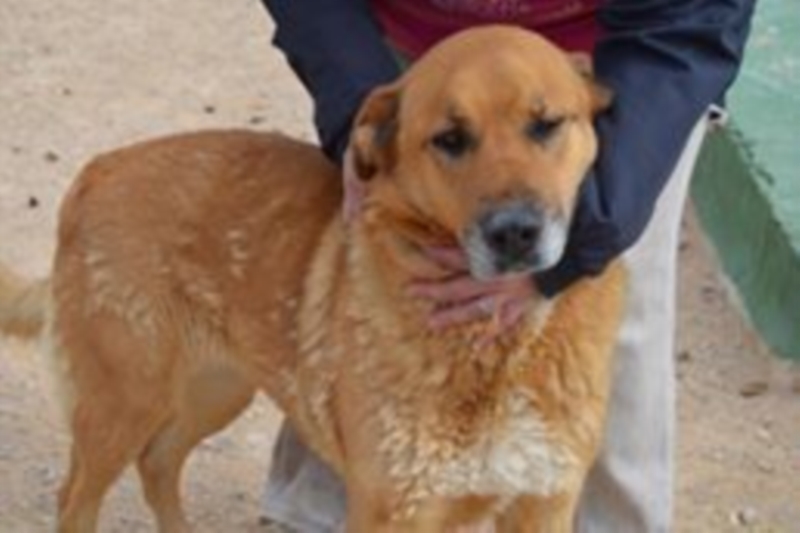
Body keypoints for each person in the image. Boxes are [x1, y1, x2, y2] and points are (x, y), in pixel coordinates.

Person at [256, 1, 754, 532]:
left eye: (542, 128)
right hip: (401, 40)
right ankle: (323, 512)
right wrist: (358, 109)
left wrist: (594, 231)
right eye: (454, 142)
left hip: (633, 47)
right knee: (371, 277)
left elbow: (689, 24)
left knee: (621, 305)